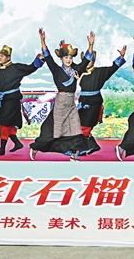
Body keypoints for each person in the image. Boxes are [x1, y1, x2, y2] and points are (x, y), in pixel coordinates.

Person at [29, 29, 93, 161]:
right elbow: (48, 57)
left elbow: (86, 60)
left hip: (71, 103)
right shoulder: (56, 70)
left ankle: (74, 154)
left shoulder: (76, 70)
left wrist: (91, 45)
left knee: (75, 128)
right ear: (61, 58)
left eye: (70, 57)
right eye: (66, 57)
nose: (68, 60)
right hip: (61, 102)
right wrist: (43, 41)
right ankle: (37, 146)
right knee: (53, 129)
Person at [0, 36, 45, 156]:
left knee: (3, 123)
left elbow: (30, 68)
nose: (0, 57)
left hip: (12, 101)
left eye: (2, 55)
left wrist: (40, 58)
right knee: (8, 124)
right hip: (3, 101)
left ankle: (2, 149)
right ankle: (17, 143)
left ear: (9, 57)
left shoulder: (17, 68)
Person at [77, 42, 127, 155]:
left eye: (91, 60)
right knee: (78, 126)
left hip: (94, 103)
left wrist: (121, 57)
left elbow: (113, 68)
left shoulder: (100, 72)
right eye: (86, 60)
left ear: (94, 60)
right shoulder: (79, 72)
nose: (88, 62)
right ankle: (89, 146)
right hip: (82, 102)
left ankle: (89, 146)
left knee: (85, 126)